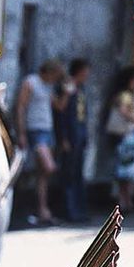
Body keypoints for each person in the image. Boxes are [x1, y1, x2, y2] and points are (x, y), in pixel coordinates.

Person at [16, 59, 68, 225]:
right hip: (35, 129)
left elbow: (59, 106)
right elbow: (21, 107)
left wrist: (67, 92)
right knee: (49, 167)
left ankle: (42, 210)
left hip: (47, 129)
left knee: (43, 175)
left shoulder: (48, 86)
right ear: (48, 72)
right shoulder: (31, 82)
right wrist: (22, 133)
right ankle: (32, 206)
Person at [106, 68, 134, 210]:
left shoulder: (125, 94)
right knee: (127, 170)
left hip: (124, 135)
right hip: (127, 135)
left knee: (126, 171)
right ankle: (125, 200)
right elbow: (124, 110)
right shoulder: (126, 95)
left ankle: (125, 199)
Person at [56, 58, 91, 223]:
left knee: (78, 173)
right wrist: (63, 137)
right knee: (69, 174)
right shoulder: (68, 87)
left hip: (80, 134)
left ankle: (80, 208)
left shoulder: (81, 89)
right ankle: (69, 210)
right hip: (70, 134)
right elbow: (61, 114)